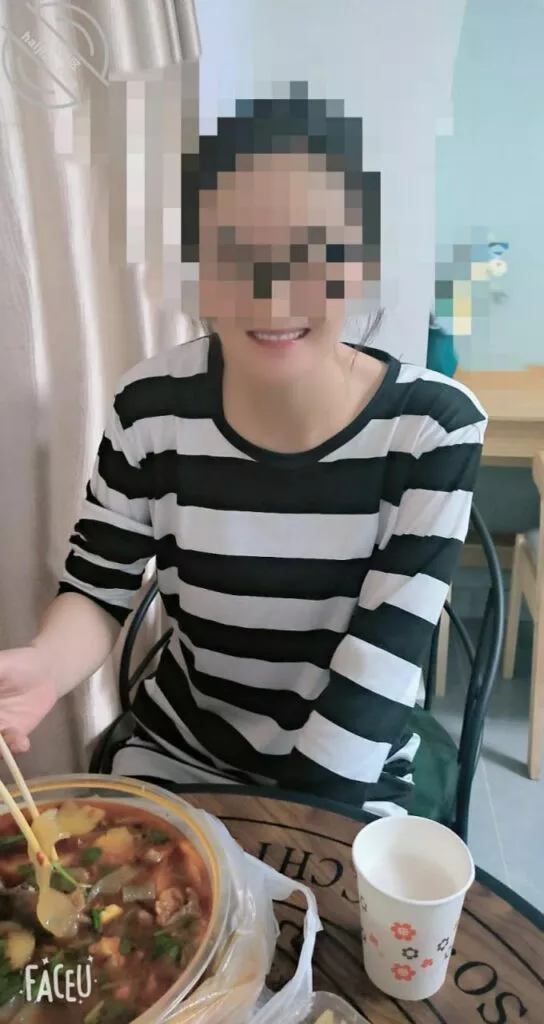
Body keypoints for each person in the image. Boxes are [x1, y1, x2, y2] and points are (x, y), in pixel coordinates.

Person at [0, 88, 487, 817]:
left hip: (352, 771)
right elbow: (98, 590)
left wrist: (277, 840)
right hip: (177, 752)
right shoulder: (150, 406)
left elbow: (377, 675)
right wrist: (43, 666)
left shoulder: (431, 429)